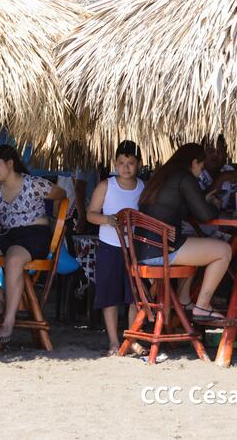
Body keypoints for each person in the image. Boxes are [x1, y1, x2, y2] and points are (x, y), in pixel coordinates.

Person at [0, 145, 66, 343]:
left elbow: (61, 193)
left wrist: (55, 221)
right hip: (7, 234)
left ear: (10, 163)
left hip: (34, 234)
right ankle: (0, 296)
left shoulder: (33, 184)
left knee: (13, 259)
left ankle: (9, 320)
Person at [137, 143, 231, 321]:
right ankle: (202, 306)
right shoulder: (184, 177)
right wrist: (214, 204)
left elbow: (180, 206)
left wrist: (202, 199)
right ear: (194, 162)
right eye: (201, 167)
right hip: (161, 251)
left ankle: (184, 299)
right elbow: (204, 215)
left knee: (197, 243)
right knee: (224, 250)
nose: (200, 173)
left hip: (144, 249)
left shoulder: (163, 176)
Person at [87, 140, 145, 356]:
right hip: (109, 247)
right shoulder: (106, 186)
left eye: (130, 163)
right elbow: (90, 214)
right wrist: (108, 220)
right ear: (115, 163)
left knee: (134, 297)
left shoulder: (143, 187)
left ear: (139, 164)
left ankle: (131, 338)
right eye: (121, 162)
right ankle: (113, 341)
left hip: (134, 248)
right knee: (109, 296)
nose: (126, 167)